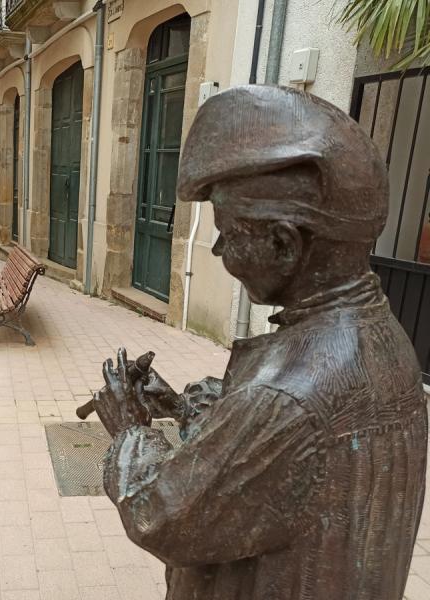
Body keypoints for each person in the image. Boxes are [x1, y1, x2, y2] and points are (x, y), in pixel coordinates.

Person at [94, 85, 428, 600]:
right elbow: (276, 465)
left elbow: (161, 514)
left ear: (283, 243)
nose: (217, 248)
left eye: (229, 233)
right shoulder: (381, 336)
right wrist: (183, 407)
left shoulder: (286, 397)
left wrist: (129, 430)